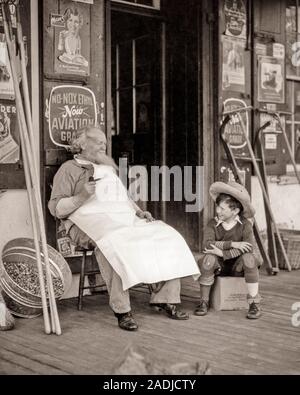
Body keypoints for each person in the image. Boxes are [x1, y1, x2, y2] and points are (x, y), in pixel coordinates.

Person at [48, 125, 200, 331]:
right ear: (82, 144)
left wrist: (138, 212)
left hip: (122, 220)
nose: (104, 145)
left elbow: (123, 199)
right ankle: (122, 310)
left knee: (165, 235)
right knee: (113, 243)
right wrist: (81, 196)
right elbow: (56, 208)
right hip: (86, 224)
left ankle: (165, 299)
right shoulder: (69, 169)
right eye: (98, 141)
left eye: (105, 142)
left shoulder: (108, 169)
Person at [194, 181, 262, 320]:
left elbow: (248, 247)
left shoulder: (245, 225)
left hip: (238, 268)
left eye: (222, 208)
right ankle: (204, 302)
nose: (218, 211)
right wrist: (233, 244)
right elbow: (207, 245)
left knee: (249, 258)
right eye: (217, 207)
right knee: (208, 259)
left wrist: (223, 253)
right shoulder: (212, 223)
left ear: (235, 211)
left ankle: (254, 303)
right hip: (218, 268)